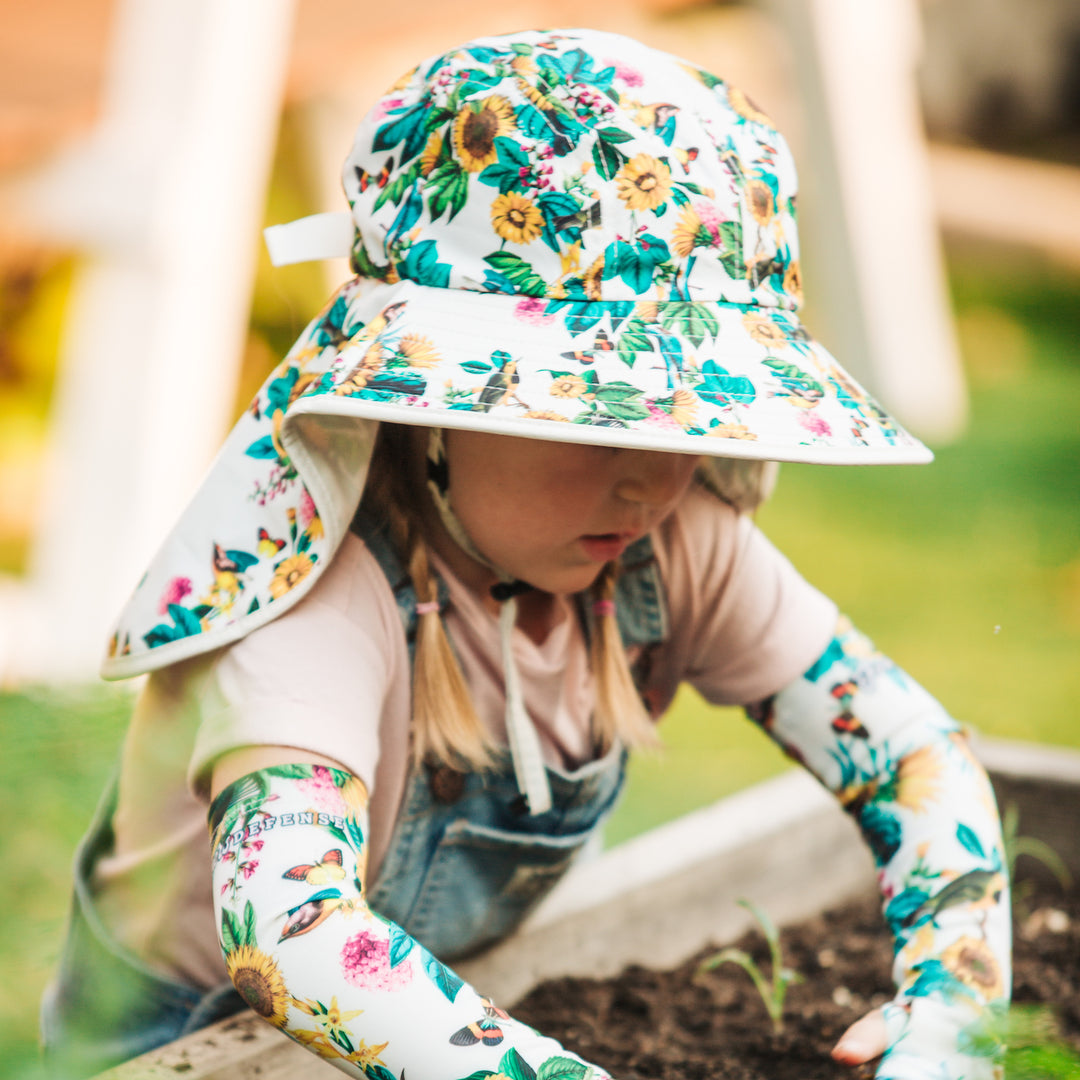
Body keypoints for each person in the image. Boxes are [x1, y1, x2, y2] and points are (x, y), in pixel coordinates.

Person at [42, 27, 1010, 1080]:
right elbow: (291, 930)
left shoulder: (673, 544)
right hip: (196, 1052)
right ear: (428, 396)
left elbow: (910, 748)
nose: (648, 480)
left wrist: (955, 992)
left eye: (691, 420)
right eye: (590, 418)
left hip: (449, 1023)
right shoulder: (316, 605)